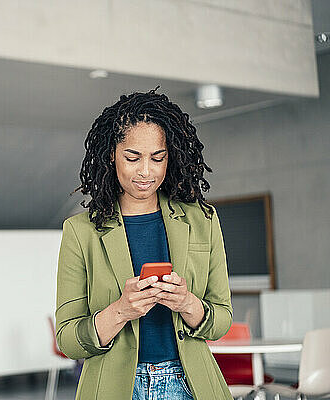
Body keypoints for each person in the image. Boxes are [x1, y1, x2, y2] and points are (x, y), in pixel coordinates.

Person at [55, 88, 233, 400]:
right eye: (133, 157)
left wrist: (185, 303)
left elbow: (221, 321)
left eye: (158, 158)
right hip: (113, 388)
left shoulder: (202, 220)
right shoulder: (79, 232)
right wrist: (121, 311)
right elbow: (68, 341)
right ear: (112, 155)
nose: (146, 171)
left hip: (189, 385)